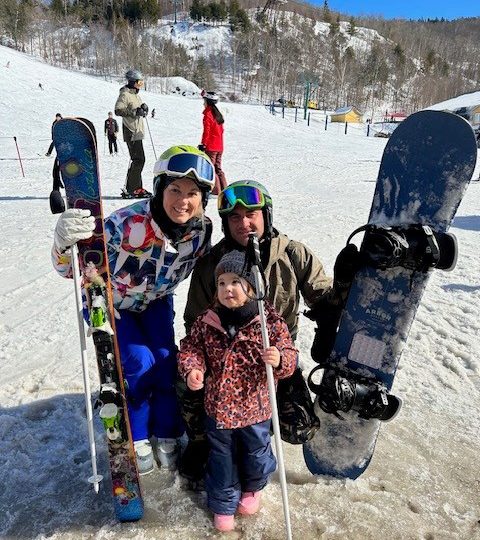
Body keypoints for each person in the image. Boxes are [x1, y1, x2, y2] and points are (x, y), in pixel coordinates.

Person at [179, 180, 359, 484]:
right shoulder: (212, 264)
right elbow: (194, 322)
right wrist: (201, 366)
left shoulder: (293, 254)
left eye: (251, 214)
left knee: (298, 426)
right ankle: (203, 439)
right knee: (184, 384)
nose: (244, 223)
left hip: (273, 360)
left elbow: (325, 303)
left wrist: (344, 285)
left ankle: (254, 430)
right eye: (234, 217)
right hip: (222, 361)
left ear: (266, 214)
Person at [51, 145, 215, 475]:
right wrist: (63, 245)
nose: (182, 201)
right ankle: (137, 436)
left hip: (155, 301)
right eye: (174, 190)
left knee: (167, 363)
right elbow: (72, 269)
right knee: (139, 364)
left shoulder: (201, 231)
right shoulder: (127, 223)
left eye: (192, 193)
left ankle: (166, 433)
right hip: (111, 303)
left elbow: (209, 268)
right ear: (159, 189)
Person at [178, 250, 296, 532]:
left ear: (252, 288)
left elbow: (290, 354)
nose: (227, 289)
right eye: (221, 283)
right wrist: (193, 368)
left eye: (235, 282)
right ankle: (223, 503)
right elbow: (190, 349)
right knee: (222, 461)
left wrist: (280, 359)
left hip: (256, 409)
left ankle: (252, 489)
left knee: (256, 455)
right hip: (218, 410)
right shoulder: (208, 321)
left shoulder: (269, 323)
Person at [115, 69, 151, 199]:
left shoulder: (134, 94)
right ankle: (132, 189)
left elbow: (136, 107)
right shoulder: (125, 94)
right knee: (138, 160)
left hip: (137, 131)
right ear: (132, 82)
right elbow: (118, 110)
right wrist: (135, 112)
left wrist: (143, 107)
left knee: (138, 160)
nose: (140, 85)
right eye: (139, 82)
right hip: (131, 131)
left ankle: (136, 188)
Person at [199, 91, 227, 196]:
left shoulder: (208, 114)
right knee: (218, 168)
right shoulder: (217, 114)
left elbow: (207, 131)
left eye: (204, 101)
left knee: (211, 167)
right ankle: (224, 188)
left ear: (208, 102)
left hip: (211, 146)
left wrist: (203, 144)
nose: (203, 103)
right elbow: (221, 130)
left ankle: (216, 191)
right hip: (220, 146)